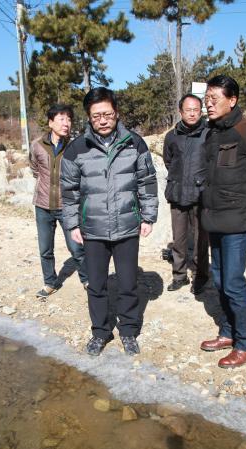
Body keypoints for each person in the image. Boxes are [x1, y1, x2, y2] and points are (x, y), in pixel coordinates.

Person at [60, 87, 158, 357]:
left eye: (107, 114)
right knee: (97, 284)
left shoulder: (134, 142)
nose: (102, 120)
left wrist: (148, 216)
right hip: (93, 229)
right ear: (88, 118)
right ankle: (100, 332)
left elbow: (147, 181)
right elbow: (69, 191)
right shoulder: (76, 149)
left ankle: (128, 330)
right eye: (96, 116)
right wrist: (72, 225)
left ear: (116, 113)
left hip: (128, 226)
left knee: (128, 283)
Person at [198, 75, 246, 369]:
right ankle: (229, 332)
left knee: (232, 282)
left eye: (214, 99)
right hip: (215, 220)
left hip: (239, 221)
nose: (208, 105)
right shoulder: (211, 133)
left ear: (232, 100)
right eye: (207, 99)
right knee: (219, 280)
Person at [29, 103, 88, 298]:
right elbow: (34, 168)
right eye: (62, 119)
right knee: (45, 248)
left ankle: (87, 279)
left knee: (76, 247)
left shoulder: (75, 146)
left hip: (67, 206)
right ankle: (50, 282)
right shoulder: (37, 145)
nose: (67, 123)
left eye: (69, 119)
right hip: (43, 205)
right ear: (51, 122)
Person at [163, 94, 210, 294]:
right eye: (188, 110)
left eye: (196, 110)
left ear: (201, 112)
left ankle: (201, 276)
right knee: (179, 238)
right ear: (180, 111)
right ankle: (179, 275)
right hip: (178, 192)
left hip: (201, 194)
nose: (192, 113)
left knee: (201, 239)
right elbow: (168, 160)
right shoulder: (171, 136)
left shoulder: (209, 133)